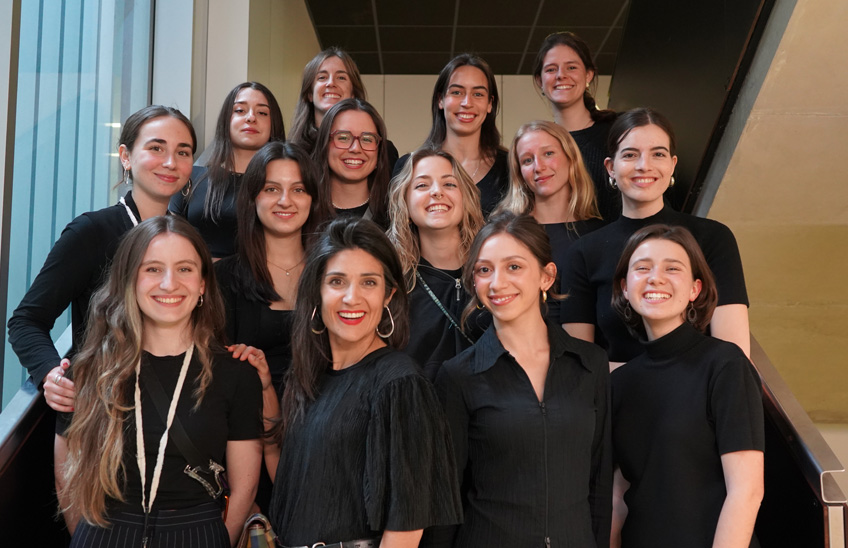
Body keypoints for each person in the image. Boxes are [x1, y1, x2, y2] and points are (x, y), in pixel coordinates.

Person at [255, 216, 461, 547]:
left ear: (388, 295)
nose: (352, 298)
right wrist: (267, 393)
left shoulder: (400, 383)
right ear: (317, 293)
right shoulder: (310, 376)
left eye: (368, 282)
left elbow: (405, 530)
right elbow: (298, 490)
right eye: (337, 281)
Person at [56, 215, 263, 547]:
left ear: (202, 284)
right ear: (129, 279)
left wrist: (216, 539)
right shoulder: (89, 369)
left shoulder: (236, 373)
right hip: (104, 531)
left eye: (185, 269)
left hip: (197, 533)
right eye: (152, 269)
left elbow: (245, 486)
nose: (169, 284)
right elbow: (68, 472)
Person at [434, 212, 611, 548]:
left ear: (547, 277)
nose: (497, 283)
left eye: (514, 266)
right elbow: (444, 499)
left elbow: (599, 481)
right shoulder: (458, 375)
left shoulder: (590, 363)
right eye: (484, 270)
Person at [8, 105, 196, 412]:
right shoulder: (92, 231)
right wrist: (51, 373)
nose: (170, 162)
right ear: (125, 156)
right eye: (156, 148)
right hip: (98, 415)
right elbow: (26, 320)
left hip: (175, 412)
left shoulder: (188, 237)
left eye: (183, 152)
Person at [609, 224, 764, 547]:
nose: (655, 278)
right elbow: (619, 495)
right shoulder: (619, 383)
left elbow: (747, 490)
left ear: (695, 288)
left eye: (672, 268)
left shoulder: (725, 363)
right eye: (642, 268)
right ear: (625, 287)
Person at [560, 108, 750, 366]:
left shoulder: (713, 238)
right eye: (630, 155)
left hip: (698, 400)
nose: (644, 166)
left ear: (672, 165)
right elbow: (579, 366)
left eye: (657, 154)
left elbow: (734, 358)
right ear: (611, 167)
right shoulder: (584, 252)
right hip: (616, 400)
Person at [215, 141, 319, 396]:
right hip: (247, 419)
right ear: (253, 197)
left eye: (298, 189)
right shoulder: (223, 277)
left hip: (327, 418)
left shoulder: (331, 273)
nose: (285, 201)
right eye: (272, 189)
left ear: (312, 199)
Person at [386, 148, 488, 379]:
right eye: (422, 185)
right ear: (406, 205)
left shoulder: (492, 274)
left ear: (466, 198)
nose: (436, 192)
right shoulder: (391, 283)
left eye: (449, 184)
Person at [495, 120, 605, 320]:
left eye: (548, 153)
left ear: (570, 158)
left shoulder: (599, 233)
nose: (539, 167)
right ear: (519, 173)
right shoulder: (507, 232)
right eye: (528, 160)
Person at [170, 81, 285, 259]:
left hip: (259, 284)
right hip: (195, 282)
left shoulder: (286, 186)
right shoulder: (190, 177)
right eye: (240, 110)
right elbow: (170, 241)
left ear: (274, 123)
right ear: (226, 119)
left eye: (262, 112)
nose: (251, 118)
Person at [394, 54, 508, 217]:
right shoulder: (409, 166)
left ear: (490, 103)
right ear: (440, 100)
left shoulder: (510, 168)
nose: (467, 103)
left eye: (478, 94)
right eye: (457, 92)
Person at [532, 32, 619, 221]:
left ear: (588, 74)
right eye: (551, 70)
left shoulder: (618, 133)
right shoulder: (538, 147)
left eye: (571, 67)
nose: (561, 75)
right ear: (540, 81)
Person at [289, 47, 399, 167]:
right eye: (322, 77)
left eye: (341, 77)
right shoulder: (293, 153)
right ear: (309, 94)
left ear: (353, 93)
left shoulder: (383, 151)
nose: (331, 83)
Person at [312, 98, 392, 228]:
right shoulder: (303, 212)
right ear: (324, 144)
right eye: (343, 137)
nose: (355, 148)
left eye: (367, 139)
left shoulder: (394, 217)